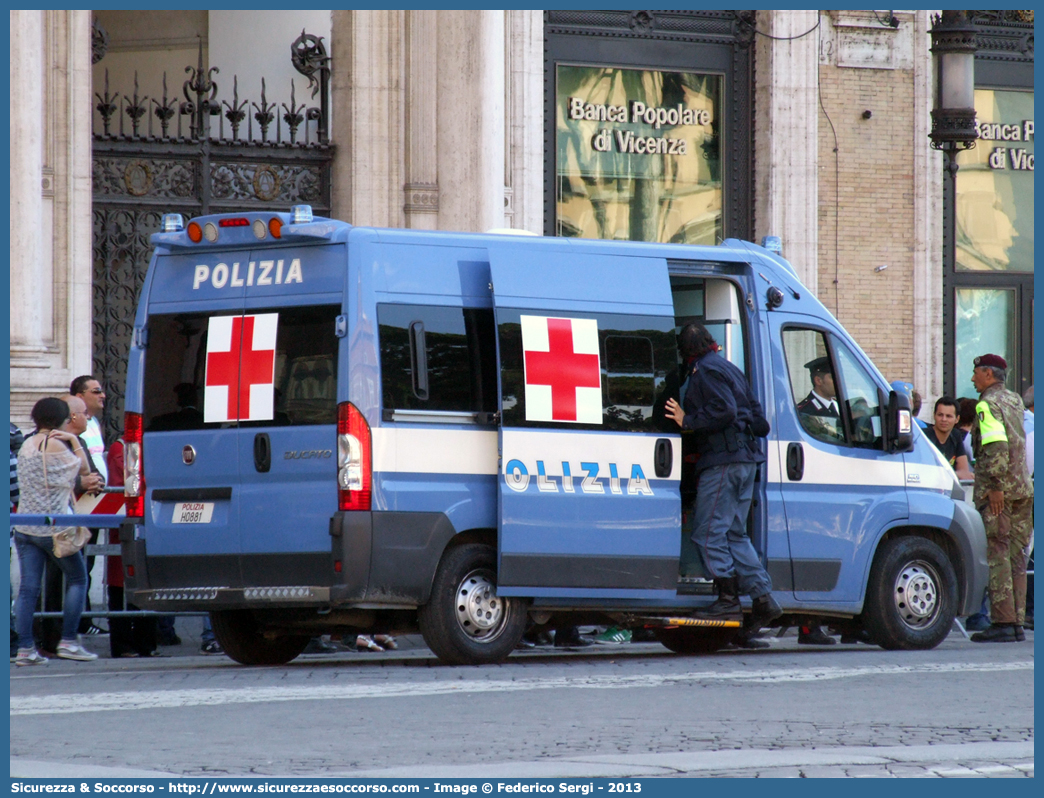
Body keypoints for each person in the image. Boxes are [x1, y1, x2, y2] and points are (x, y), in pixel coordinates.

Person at [664, 323, 781, 631]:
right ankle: (763, 598)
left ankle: (727, 600)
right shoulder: (730, 368)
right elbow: (760, 423)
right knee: (734, 534)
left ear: (686, 351)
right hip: (746, 463)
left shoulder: (704, 371)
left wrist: (686, 419)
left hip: (723, 465)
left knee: (706, 533)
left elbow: (725, 410)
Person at [12, 397, 99, 664]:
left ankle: (25, 649)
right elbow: (84, 472)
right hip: (54, 528)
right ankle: (69, 641)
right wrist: (74, 443)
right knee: (77, 580)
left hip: (26, 525)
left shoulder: (26, 444)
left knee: (28, 588)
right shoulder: (58, 446)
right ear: (62, 418)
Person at [969, 354, 1033, 643]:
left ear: (988, 374)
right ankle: (1017, 621)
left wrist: (995, 486)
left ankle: (1003, 622)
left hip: (1000, 492)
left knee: (998, 554)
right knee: (1017, 557)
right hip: (1022, 489)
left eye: (976, 373)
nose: (973, 379)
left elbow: (996, 445)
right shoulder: (1015, 400)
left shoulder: (987, 405)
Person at [105, 435, 159, 658]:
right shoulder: (124, 448)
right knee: (122, 588)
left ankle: (144, 642)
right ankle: (125, 643)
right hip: (129, 528)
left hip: (144, 525)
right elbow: (125, 486)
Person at [925, 396, 974, 480]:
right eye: (940, 415)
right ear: (934, 416)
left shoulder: (956, 435)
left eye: (948, 416)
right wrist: (954, 474)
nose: (944, 419)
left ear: (957, 419)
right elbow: (926, 471)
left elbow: (964, 472)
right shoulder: (924, 436)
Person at [70, 376, 107, 485]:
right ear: (80, 397)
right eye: (97, 391)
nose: (103, 396)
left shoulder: (94, 421)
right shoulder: (72, 424)